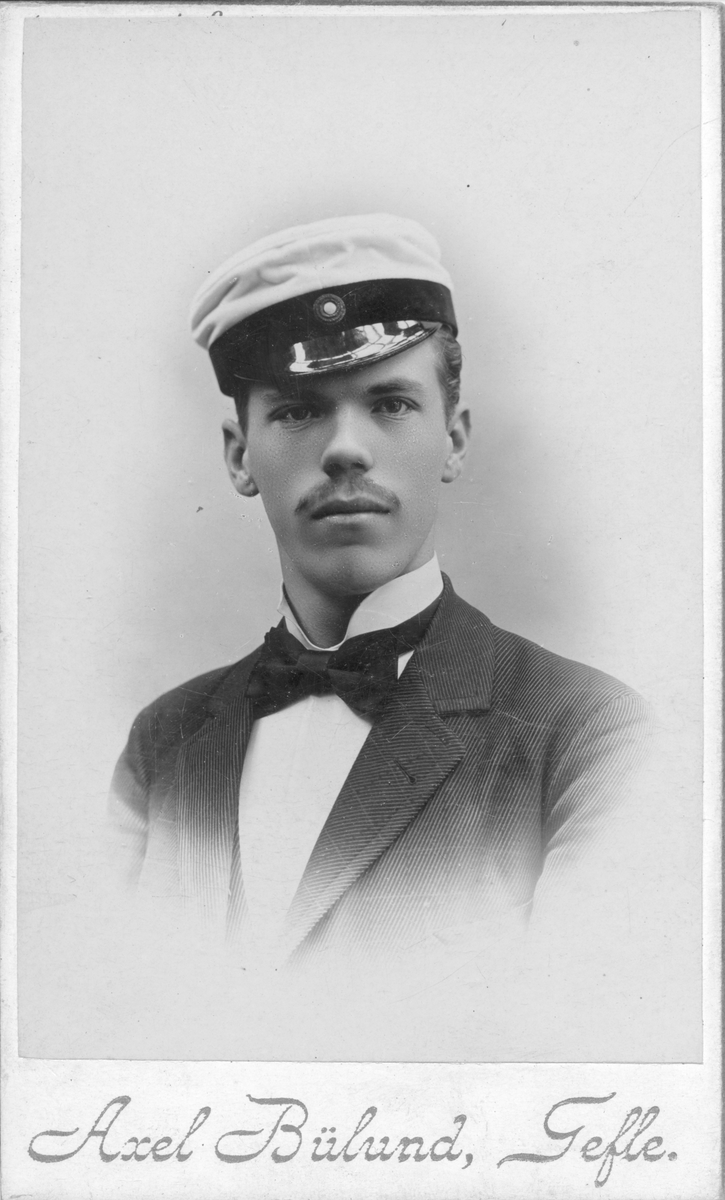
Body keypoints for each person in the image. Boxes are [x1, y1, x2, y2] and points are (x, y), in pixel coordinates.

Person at [109, 213, 653, 978]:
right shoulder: (161, 746)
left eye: (390, 404)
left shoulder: (588, 734)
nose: (345, 449)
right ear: (238, 455)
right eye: (298, 410)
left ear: (453, 439)